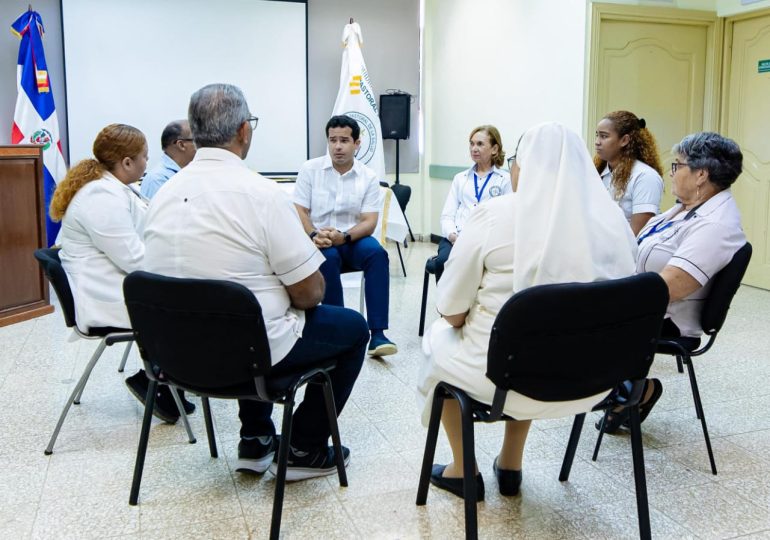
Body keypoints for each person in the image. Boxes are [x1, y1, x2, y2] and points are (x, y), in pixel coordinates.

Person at [144, 84, 369, 480]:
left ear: (194, 133)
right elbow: (310, 292)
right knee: (350, 328)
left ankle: (256, 438)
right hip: (249, 356)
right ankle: (303, 446)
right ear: (244, 131)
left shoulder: (162, 194)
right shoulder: (262, 195)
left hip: (176, 360)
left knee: (245, 312)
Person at [418, 122, 637, 500]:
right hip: (596, 380)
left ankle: (462, 470)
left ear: (523, 166)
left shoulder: (494, 215)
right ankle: (510, 464)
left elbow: (451, 311)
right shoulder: (611, 220)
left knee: (442, 344)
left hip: (504, 380)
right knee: (540, 343)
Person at [599, 131, 746, 433]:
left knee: (576, 319)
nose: (671, 172)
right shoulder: (684, 208)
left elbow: (670, 287)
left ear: (701, 174)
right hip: (647, 305)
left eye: (677, 166)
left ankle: (633, 390)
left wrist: (608, 298)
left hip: (668, 318)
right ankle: (624, 388)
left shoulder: (715, 224)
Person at [49, 123, 193, 424]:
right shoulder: (100, 197)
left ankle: (166, 379)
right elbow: (135, 259)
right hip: (105, 297)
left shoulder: (114, 187)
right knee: (194, 305)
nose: (146, 163)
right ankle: (158, 380)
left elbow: (149, 222)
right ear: (127, 162)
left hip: (116, 285)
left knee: (189, 295)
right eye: (144, 157)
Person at [293, 114, 397, 357]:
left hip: (352, 239)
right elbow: (300, 210)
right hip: (319, 240)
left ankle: (378, 334)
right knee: (327, 258)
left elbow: (369, 221)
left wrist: (345, 236)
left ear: (357, 144)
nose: (337, 146)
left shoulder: (368, 176)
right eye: (332, 140)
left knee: (377, 254)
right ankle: (338, 332)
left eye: (344, 140)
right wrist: (312, 234)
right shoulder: (310, 169)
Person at [435, 125, 511, 281]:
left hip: (488, 242)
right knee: (443, 262)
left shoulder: (505, 180)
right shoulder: (460, 179)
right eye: (472, 143)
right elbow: (447, 215)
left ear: (494, 149)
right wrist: (453, 236)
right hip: (455, 239)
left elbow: (508, 219)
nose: (474, 148)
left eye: (480, 144)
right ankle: (446, 305)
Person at [594, 110, 665, 235]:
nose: (597, 142)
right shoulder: (598, 172)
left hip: (627, 251)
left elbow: (637, 234)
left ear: (624, 140)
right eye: (597, 135)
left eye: (604, 136)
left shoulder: (645, 176)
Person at [139, 119, 197, 199]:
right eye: (196, 139)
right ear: (181, 145)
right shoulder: (157, 179)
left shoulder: (191, 171)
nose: (201, 144)